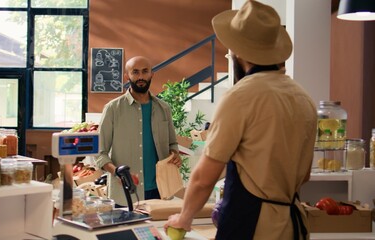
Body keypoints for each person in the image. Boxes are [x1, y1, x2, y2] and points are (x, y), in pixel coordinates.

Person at [164, 1, 317, 240]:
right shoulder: (303, 98)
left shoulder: (241, 96)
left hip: (252, 225)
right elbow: (304, 175)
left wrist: (184, 217)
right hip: (293, 224)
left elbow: (205, 176)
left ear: (240, 52)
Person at [95, 56, 181, 207]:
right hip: (125, 193)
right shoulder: (112, 109)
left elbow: (172, 144)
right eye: (135, 72)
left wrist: (175, 155)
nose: (140, 77)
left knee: (157, 231)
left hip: (160, 192)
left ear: (151, 74)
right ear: (127, 76)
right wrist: (118, 173)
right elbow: (100, 152)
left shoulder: (164, 109)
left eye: (145, 71)